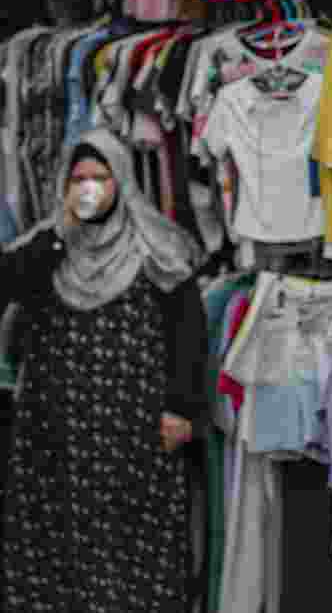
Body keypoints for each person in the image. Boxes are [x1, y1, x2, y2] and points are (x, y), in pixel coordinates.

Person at [0, 127, 208, 613]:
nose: (88, 188)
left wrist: (181, 409)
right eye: (78, 179)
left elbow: (188, 334)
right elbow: (9, 287)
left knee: (135, 538)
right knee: (58, 546)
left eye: (101, 177)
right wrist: (62, 233)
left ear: (123, 182)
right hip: (55, 432)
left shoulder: (157, 245)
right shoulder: (47, 245)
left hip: (133, 428)